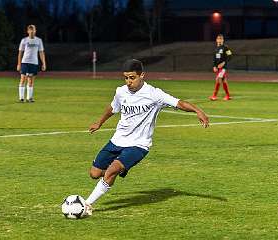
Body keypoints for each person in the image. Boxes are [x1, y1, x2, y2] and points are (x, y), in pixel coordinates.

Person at [84, 59, 209, 214]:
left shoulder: (154, 94)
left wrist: (198, 111)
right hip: (117, 140)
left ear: (142, 75)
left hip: (139, 144)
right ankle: (119, 170)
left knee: (112, 171)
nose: (128, 82)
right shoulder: (120, 91)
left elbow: (179, 103)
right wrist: (99, 122)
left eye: (132, 77)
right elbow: (112, 108)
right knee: (94, 174)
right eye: (126, 78)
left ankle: (86, 204)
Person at [17, 25, 46, 102]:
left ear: (35, 31)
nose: (32, 31)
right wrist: (19, 64)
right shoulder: (24, 40)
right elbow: (20, 53)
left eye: (33, 30)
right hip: (25, 62)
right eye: (30, 30)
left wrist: (44, 63)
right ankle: (21, 98)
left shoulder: (39, 40)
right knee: (23, 79)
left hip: (34, 63)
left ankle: (29, 98)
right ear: (28, 31)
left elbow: (41, 52)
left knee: (31, 81)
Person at [209, 34, 233, 101]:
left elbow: (230, 56)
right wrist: (214, 66)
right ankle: (228, 96)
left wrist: (224, 62)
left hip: (223, 68)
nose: (219, 40)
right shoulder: (216, 49)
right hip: (218, 68)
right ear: (216, 40)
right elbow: (214, 59)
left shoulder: (225, 47)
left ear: (223, 40)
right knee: (224, 80)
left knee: (218, 79)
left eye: (221, 38)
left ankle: (214, 96)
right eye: (218, 38)